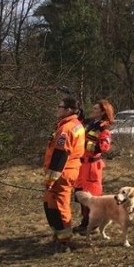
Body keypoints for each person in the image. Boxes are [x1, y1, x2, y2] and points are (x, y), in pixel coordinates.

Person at [43, 96, 85, 251]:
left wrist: (50, 180)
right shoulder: (71, 125)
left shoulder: (67, 129)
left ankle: (65, 242)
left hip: (62, 173)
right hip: (65, 172)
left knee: (60, 207)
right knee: (50, 205)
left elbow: (60, 155)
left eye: (59, 106)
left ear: (68, 110)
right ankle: (59, 237)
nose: (57, 109)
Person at [73, 99, 115, 234]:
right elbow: (81, 120)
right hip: (82, 165)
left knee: (92, 197)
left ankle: (93, 226)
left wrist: (84, 145)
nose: (93, 110)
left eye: (96, 109)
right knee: (80, 195)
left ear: (103, 111)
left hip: (92, 166)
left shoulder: (104, 127)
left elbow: (104, 146)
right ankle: (84, 223)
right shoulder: (91, 123)